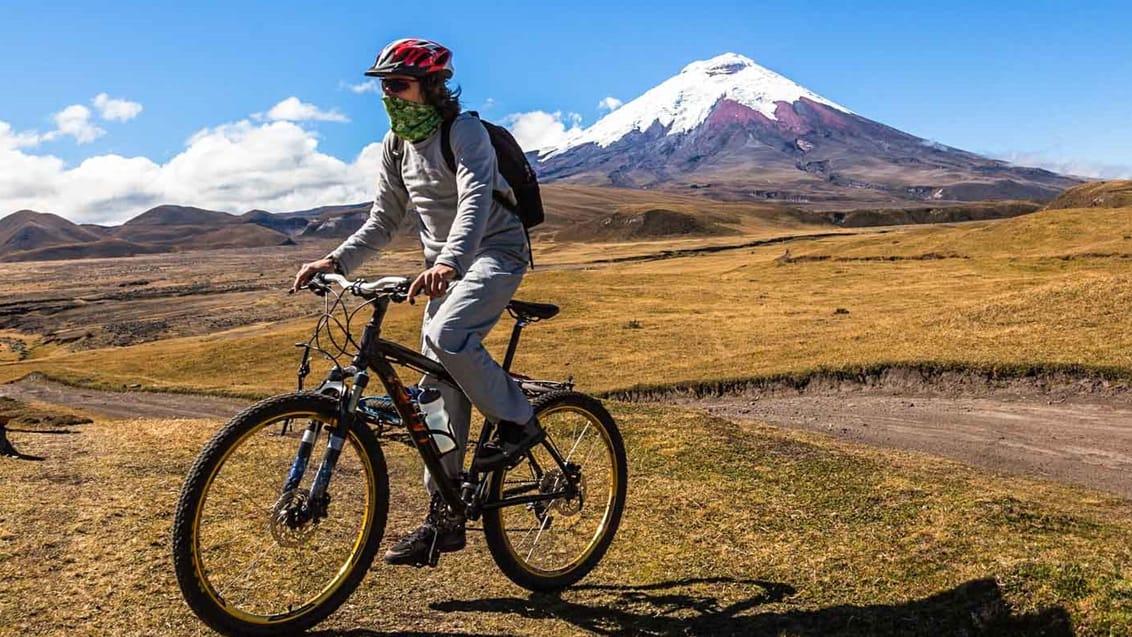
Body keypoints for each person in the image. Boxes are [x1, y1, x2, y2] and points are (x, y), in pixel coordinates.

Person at [291, 38, 543, 566]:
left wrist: (449, 263)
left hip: (495, 253)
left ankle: (518, 421)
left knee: (448, 335)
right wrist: (334, 263)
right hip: (443, 266)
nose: (388, 94)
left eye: (398, 84)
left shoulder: (464, 131)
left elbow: (475, 197)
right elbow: (383, 221)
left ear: (430, 86)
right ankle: (443, 519)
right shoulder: (395, 144)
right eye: (383, 85)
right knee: (436, 383)